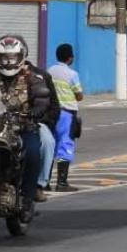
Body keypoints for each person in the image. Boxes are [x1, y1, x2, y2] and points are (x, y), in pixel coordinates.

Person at [0, 35, 52, 214]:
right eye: (4, 57)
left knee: (34, 153)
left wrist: (34, 112)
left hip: (23, 128)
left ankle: (27, 198)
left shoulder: (33, 78)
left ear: (21, 57)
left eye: (12, 57)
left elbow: (42, 100)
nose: (8, 61)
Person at [49, 43, 85, 192]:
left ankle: (43, 181)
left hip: (50, 113)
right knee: (65, 145)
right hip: (67, 114)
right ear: (70, 58)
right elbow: (79, 95)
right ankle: (62, 182)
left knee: (50, 145)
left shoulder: (49, 71)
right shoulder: (72, 74)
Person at [28, 57, 63, 202]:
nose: (9, 61)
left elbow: (54, 106)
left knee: (48, 142)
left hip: (31, 122)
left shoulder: (40, 76)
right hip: (0, 123)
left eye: (13, 56)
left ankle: (39, 184)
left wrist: (43, 120)